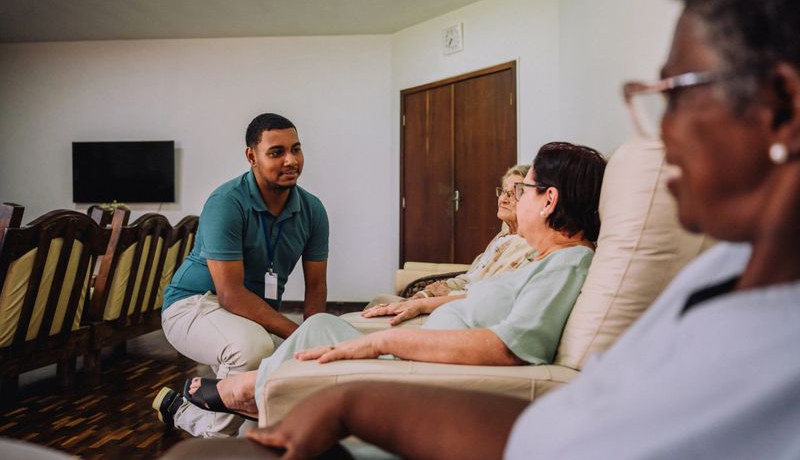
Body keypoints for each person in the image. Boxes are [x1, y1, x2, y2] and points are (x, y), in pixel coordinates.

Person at [239, 0, 800, 458]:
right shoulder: (721, 273)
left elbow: (548, 414)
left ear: (781, 105)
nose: (662, 131)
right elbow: (572, 419)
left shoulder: (769, 346)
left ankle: (237, 396)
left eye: (677, 94)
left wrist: (373, 357)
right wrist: (350, 397)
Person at [173, 141, 606, 424]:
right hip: (420, 360)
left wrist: (382, 343)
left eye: (524, 189)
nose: (513, 198)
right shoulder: (544, 260)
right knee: (318, 327)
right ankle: (253, 393)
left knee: (323, 336)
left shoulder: (567, 265)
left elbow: (508, 350)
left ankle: (246, 391)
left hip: (426, 374)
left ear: (549, 200)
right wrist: (415, 312)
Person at [153, 113, 329, 438]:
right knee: (252, 350)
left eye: (296, 149)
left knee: (289, 366)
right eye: (277, 152)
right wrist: (299, 336)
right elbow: (230, 294)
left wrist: (315, 339)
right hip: (193, 305)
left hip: (250, 315)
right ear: (252, 156)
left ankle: (188, 412)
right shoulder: (226, 203)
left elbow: (316, 289)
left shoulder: (313, 210)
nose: (291, 160)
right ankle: (215, 446)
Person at [362, 164, 535, 326]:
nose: (504, 199)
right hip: (450, 302)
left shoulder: (529, 244)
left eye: (513, 194)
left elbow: (488, 297)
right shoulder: (503, 236)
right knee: (379, 301)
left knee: (378, 309)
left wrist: (425, 303)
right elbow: (469, 277)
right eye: (503, 192)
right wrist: (424, 294)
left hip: (463, 313)